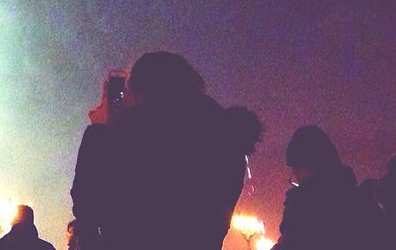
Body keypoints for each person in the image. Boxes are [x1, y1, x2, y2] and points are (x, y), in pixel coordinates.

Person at [70, 51, 262, 250]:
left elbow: (87, 205)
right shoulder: (226, 134)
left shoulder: (135, 130)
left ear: (141, 90)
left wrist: (100, 130)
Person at [271, 125, 383, 250]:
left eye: (296, 170)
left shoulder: (302, 205)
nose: (295, 177)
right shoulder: (362, 201)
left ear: (310, 167)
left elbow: (292, 243)